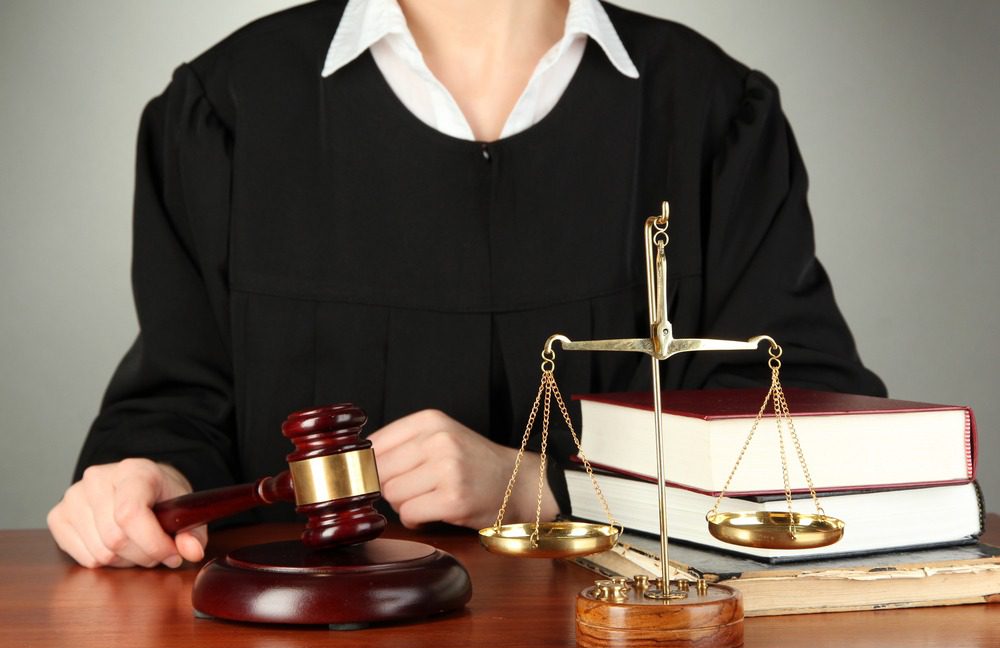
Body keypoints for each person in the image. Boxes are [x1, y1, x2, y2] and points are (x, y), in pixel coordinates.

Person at [47, 0, 885, 569]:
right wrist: (152, 478)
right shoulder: (229, 110)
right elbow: (180, 401)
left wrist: (542, 486)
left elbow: (807, 430)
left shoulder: (709, 116)